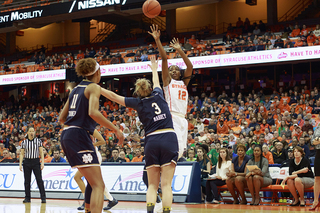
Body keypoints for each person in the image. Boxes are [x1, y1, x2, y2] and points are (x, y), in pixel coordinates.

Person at [100, 56, 178, 213]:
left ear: (138, 92)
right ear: (149, 89)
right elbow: (156, 82)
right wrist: (154, 69)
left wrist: (98, 88)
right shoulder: (158, 94)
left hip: (152, 140)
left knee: (152, 185)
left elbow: (114, 97)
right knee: (166, 185)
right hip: (169, 137)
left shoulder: (138, 103)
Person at [58, 58, 124, 213]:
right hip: (78, 135)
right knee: (98, 185)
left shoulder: (75, 89)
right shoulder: (93, 87)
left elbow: (61, 118)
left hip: (67, 134)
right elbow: (93, 112)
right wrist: (115, 129)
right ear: (98, 72)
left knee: (91, 182)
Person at [149, 24, 193, 160]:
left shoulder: (184, 83)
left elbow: (190, 66)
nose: (173, 70)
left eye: (176, 69)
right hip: (172, 116)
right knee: (176, 148)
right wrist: (157, 40)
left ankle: (168, 169)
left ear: (179, 73)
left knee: (182, 150)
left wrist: (180, 50)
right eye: (171, 69)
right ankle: (164, 167)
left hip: (183, 118)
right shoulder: (168, 82)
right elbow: (164, 59)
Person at [74, 129, 118, 211]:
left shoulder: (90, 128)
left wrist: (91, 145)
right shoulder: (77, 130)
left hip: (94, 156)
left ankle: (86, 201)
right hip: (85, 157)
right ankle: (111, 199)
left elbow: (102, 141)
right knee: (93, 182)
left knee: (90, 181)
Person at [19, 126, 46, 203]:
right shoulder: (24, 142)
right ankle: (27, 198)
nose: (31, 132)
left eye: (33, 131)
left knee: (39, 180)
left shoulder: (38, 141)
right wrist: (20, 164)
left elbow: (41, 152)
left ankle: (43, 197)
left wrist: (42, 163)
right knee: (27, 181)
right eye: (30, 131)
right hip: (27, 162)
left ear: (34, 132)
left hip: (36, 161)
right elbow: (21, 154)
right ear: (27, 132)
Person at [310, 128, 320, 210]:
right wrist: (316, 140)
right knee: (317, 177)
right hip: (318, 153)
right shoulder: (317, 128)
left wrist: (318, 140)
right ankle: (316, 201)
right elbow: (312, 141)